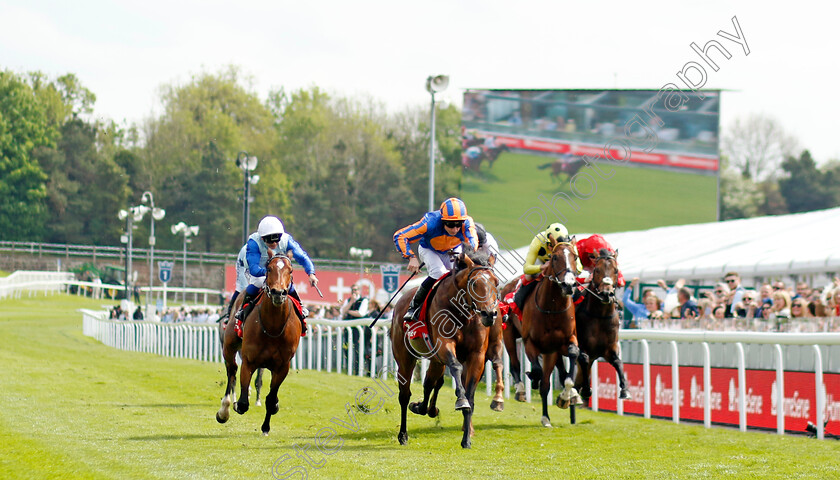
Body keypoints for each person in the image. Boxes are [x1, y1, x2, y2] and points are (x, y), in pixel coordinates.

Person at [393, 197, 478, 322]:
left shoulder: (467, 223)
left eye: (458, 224)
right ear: (442, 220)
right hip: (429, 249)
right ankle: (414, 306)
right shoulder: (430, 222)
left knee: (459, 274)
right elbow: (400, 235)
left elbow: (473, 242)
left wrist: (470, 253)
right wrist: (411, 257)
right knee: (440, 273)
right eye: (450, 224)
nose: (455, 229)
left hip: (452, 249)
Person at [233, 215, 319, 336]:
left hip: (278, 269)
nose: (274, 243)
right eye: (270, 240)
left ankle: (301, 311)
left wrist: (311, 273)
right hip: (260, 270)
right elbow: (253, 268)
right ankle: (242, 313)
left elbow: (302, 257)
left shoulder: (286, 240)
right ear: (262, 238)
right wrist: (268, 273)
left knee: (288, 285)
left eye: (276, 239)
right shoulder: (254, 243)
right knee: (257, 283)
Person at [501, 223, 577, 322]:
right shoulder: (538, 240)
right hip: (541, 262)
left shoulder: (569, 246)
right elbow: (527, 268)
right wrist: (542, 267)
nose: (556, 246)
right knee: (529, 277)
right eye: (553, 244)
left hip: (560, 267)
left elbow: (578, 268)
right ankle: (516, 300)